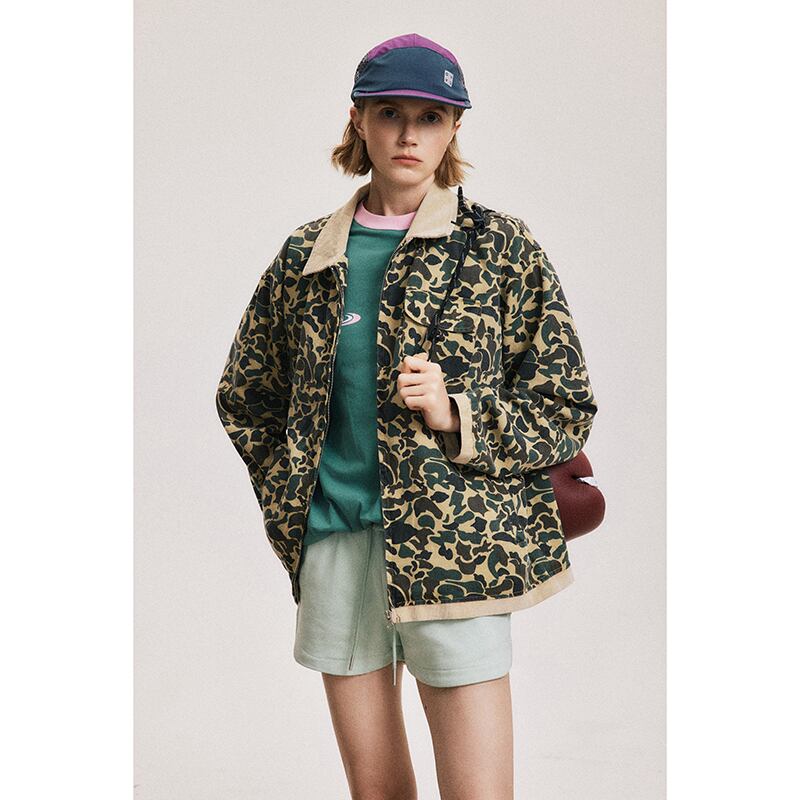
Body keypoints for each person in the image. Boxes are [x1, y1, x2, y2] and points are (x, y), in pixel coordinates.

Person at [215, 32, 598, 800]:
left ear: (454, 128)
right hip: (336, 546)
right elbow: (245, 395)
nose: (408, 134)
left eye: (430, 116)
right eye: (390, 112)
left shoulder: (499, 249)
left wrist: (459, 413)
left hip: (458, 554)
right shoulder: (306, 258)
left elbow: (565, 406)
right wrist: (295, 492)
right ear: (359, 120)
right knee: (376, 791)